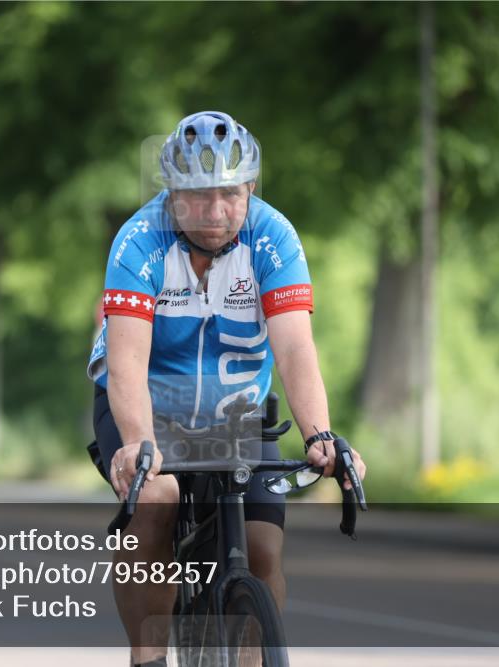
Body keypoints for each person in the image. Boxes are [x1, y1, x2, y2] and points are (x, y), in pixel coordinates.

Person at [86, 110, 366, 667]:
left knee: (262, 552)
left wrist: (321, 435)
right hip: (146, 399)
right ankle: (148, 655)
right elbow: (127, 362)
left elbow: (294, 350)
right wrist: (140, 443)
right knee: (158, 500)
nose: (216, 212)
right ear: (171, 194)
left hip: (237, 406)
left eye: (230, 195)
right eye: (197, 196)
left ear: (251, 189)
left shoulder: (273, 237)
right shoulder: (139, 242)